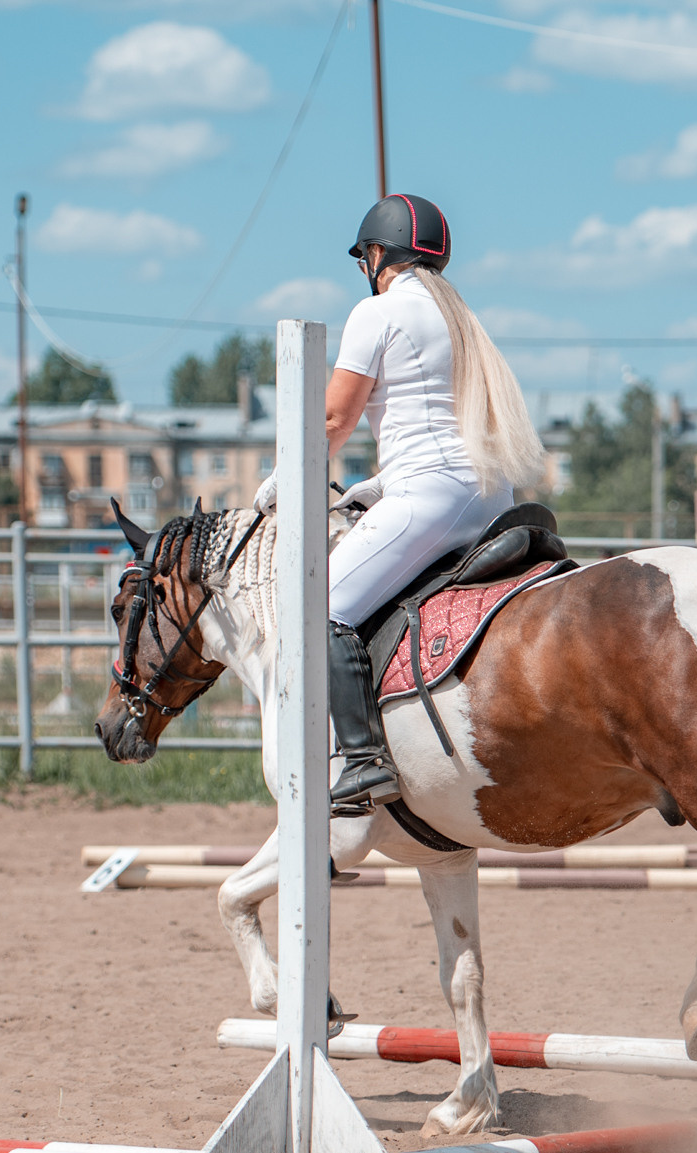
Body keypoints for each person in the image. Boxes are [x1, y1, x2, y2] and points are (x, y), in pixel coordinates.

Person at [255, 194, 546, 814]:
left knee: (318, 606)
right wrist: (382, 485)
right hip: (491, 498)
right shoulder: (462, 318)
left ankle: (363, 760)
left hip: (433, 499)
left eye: (367, 256)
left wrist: (286, 477)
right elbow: (442, 424)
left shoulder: (378, 310)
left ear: (377, 254)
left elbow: (334, 417)